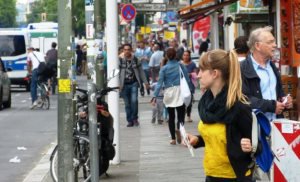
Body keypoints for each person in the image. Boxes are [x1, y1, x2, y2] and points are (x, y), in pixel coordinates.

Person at [186, 49, 254, 181]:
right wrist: (197, 140)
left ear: (215, 74)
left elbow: (257, 143)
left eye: (201, 70)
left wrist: (250, 146)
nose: (198, 75)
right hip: (211, 174)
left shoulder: (238, 107)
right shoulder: (206, 104)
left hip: (235, 177)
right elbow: (219, 138)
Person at [240, 26, 293, 121]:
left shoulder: (272, 67)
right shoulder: (242, 68)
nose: (275, 45)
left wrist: (284, 100)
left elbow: (279, 93)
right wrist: (271, 106)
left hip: (275, 126)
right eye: (270, 42)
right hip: (254, 127)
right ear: (257, 46)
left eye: (274, 41)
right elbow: (243, 99)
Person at [153, 47, 192, 145]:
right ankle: (180, 132)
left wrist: (155, 95)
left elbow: (159, 83)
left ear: (166, 56)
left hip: (169, 92)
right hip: (180, 91)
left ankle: (173, 139)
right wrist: (190, 90)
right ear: (176, 56)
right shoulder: (180, 65)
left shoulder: (164, 68)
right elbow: (187, 79)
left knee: (171, 116)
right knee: (181, 116)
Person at [119, 43, 149, 127]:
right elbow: (116, 73)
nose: (127, 51)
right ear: (123, 50)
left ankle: (135, 118)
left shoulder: (135, 59)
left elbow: (141, 71)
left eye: (128, 49)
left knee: (134, 101)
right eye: (125, 50)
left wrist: (146, 82)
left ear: (131, 50)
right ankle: (130, 120)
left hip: (134, 83)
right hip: (124, 85)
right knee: (127, 104)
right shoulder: (120, 60)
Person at [181, 50, 197, 122]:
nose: (186, 56)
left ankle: (188, 116)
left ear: (189, 56)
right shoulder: (180, 64)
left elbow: (195, 73)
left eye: (187, 55)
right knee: (182, 100)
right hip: (182, 85)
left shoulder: (192, 64)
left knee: (189, 101)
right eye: (184, 55)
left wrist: (190, 74)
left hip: (190, 84)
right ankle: (182, 115)